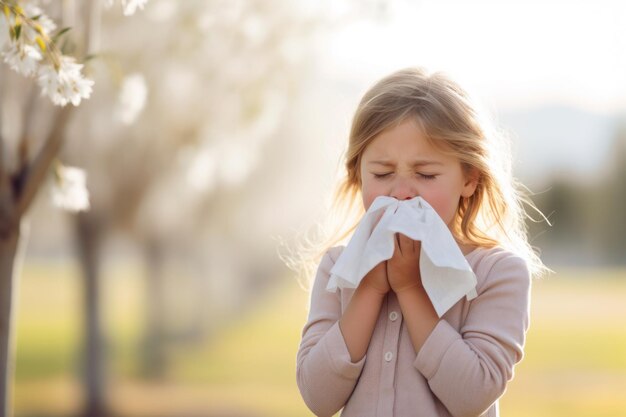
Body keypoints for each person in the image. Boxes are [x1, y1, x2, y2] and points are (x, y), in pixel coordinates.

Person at [295, 67, 547, 417]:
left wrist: (410, 288)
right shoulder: (339, 269)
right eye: (382, 174)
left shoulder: (498, 273)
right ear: (358, 176)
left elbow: (473, 395)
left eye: (426, 174)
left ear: (469, 179)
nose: (400, 193)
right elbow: (318, 397)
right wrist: (368, 287)